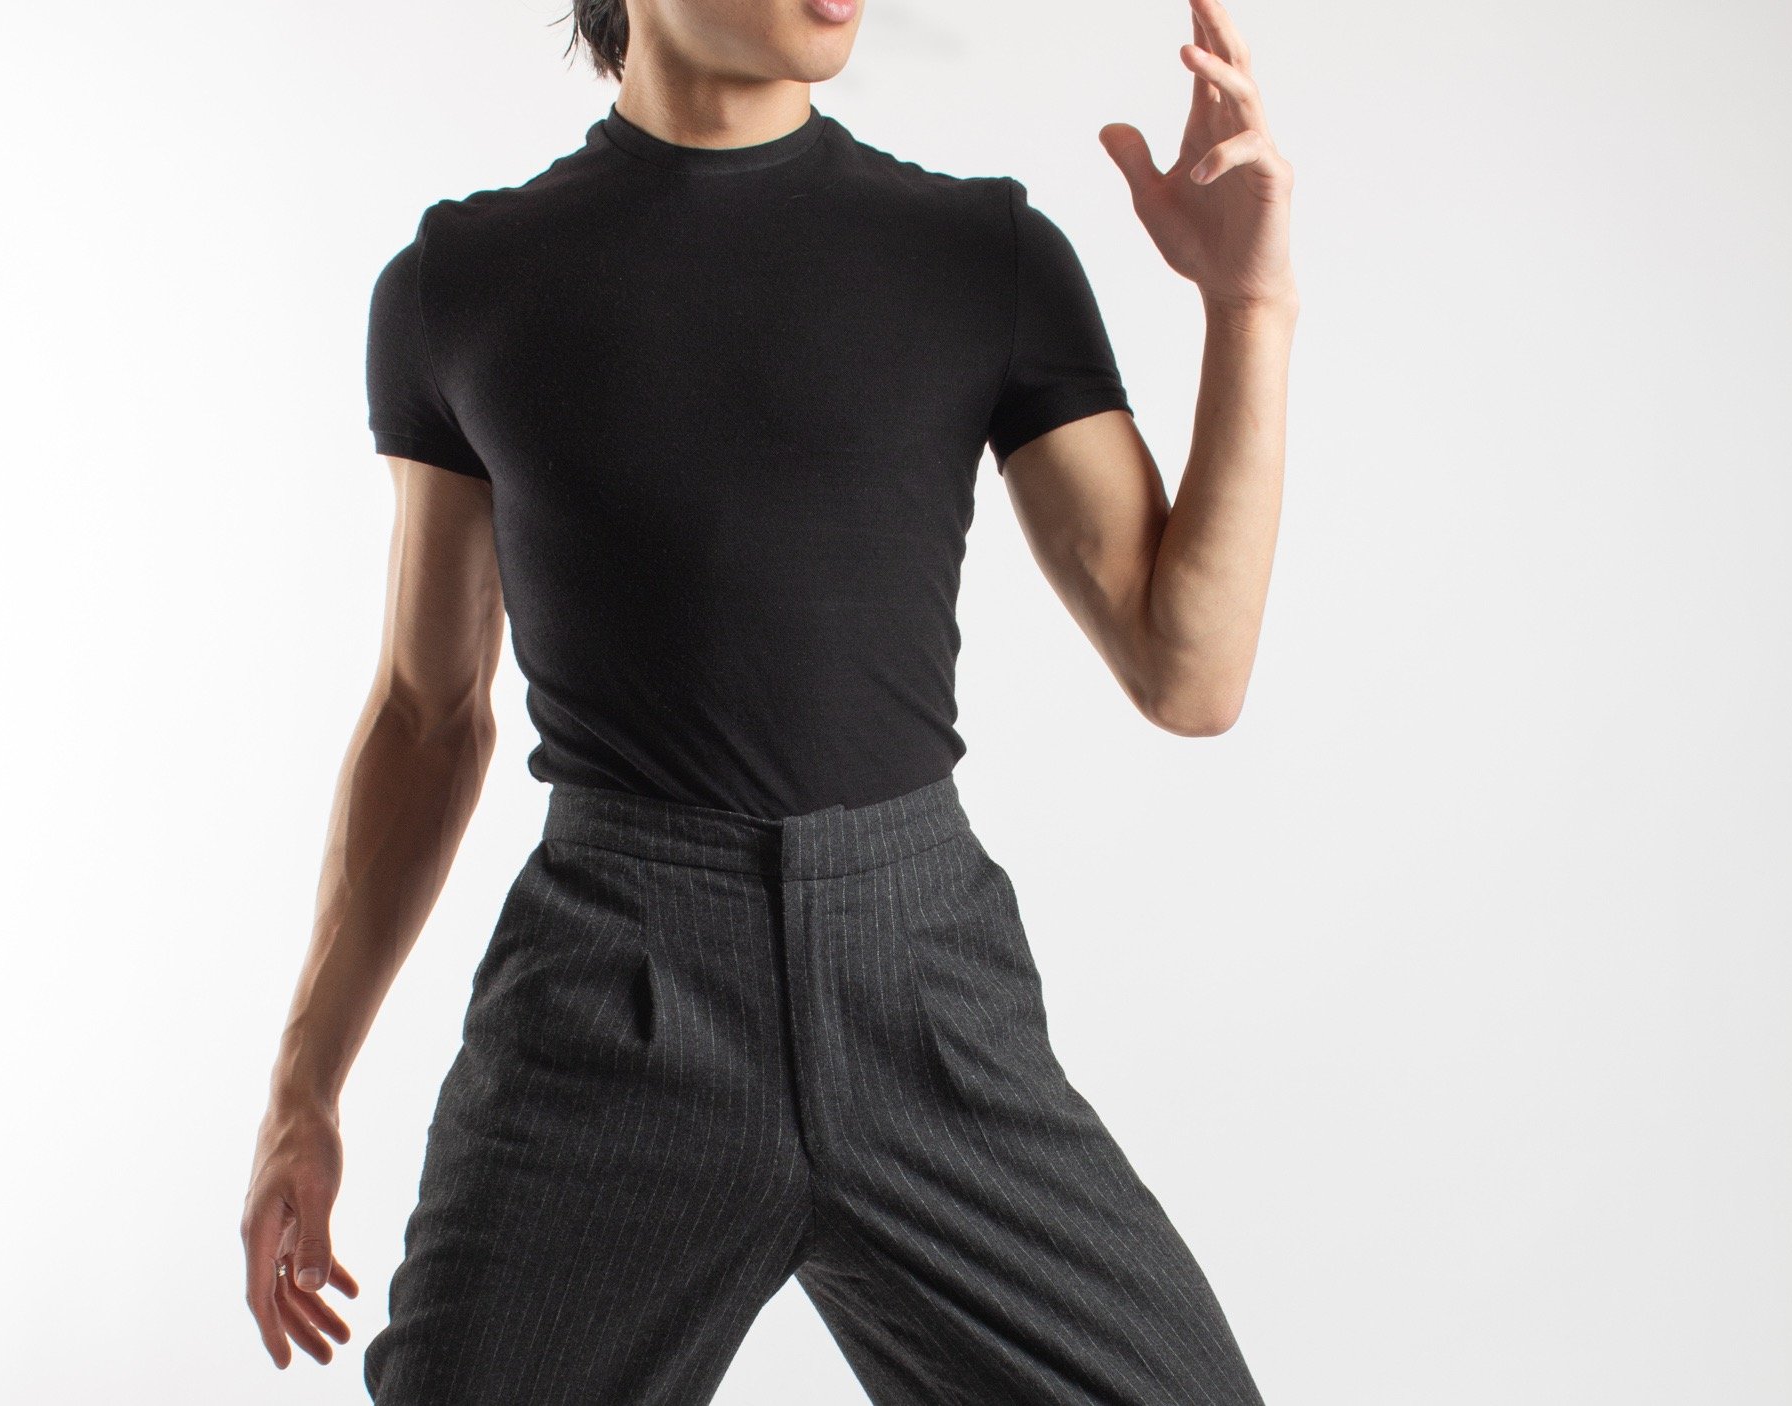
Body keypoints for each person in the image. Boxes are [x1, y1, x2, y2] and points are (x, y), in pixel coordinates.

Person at [242, 0, 1294, 1398]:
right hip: (616, 1000)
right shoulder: (468, 284)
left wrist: (1247, 308)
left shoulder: (980, 256)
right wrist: (305, 1084)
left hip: (926, 994)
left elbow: (1191, 670)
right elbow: (427, 714)